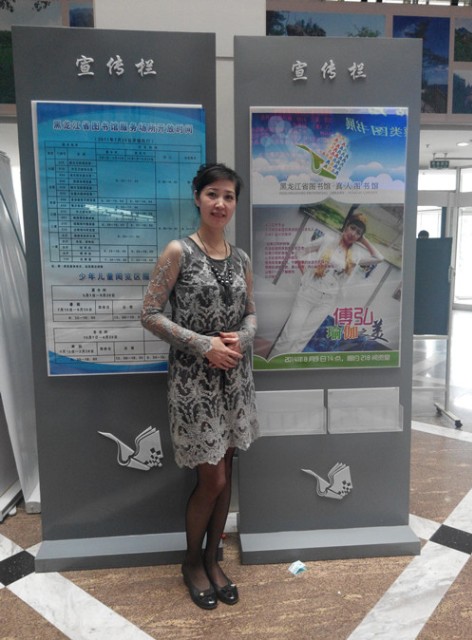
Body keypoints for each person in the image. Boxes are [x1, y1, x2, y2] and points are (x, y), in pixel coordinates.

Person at [141, 163, 259, 610]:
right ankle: (191, 561)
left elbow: (251, 313)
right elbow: (149, 313)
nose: (220, 203)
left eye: (229, 196)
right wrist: (203, 344)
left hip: (236, 379)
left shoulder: (241, 258)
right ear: (197, 197)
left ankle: (213, 559)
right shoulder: (179, 251)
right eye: (213, 194)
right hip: (194, 384)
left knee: (227, 471)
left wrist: (242, 337)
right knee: (212, 477)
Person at [270, 211, 384, 356]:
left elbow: (379, 258)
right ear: (346, 226)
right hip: (308, 293)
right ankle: (273, 362)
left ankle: (289, 367)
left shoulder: (356, 255)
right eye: (352, 228)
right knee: (290, 334)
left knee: (302, 339)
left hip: (327, 301)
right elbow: (300, 252)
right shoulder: (327, 240)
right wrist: (305, 273)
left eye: (358, 233)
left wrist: (363, 240)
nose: (353, 233)